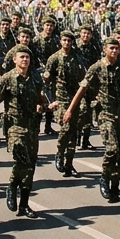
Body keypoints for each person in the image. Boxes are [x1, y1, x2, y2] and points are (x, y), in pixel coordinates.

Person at [62, 37, 120, 203]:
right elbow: (82, 89)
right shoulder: (96, 68)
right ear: (104, 49)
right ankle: (104, 177)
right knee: (112, 148)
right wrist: (70, 110)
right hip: (105, 114)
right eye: (111, 48)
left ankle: (115, 187)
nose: (114, 51)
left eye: (116, 48)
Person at [0, 48, 49, 218]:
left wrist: (44, 105)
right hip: (14, 127)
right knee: (22, 158)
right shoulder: (7, 78)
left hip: (32, 127)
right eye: (22, 57)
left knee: (30, 166)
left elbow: (41, 98)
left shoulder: (35, 77)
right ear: (14, 59)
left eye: (28, 57)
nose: (25, 60)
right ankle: (12, 186)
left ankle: (24, 205)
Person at [43, 30, 87, 177]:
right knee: (66, 128)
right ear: (60, 41)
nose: (67, 43)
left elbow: (84, 78)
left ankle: (69, 164)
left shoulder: (78, 58)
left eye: (69, 41)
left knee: (74, 131)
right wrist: (50, 101)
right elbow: (46, 82)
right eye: (64, 40)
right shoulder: (54, 58)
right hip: (61, 98)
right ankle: (60, 152)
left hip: (75, 98)